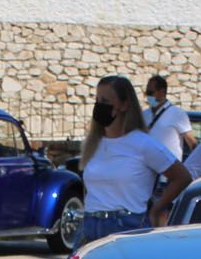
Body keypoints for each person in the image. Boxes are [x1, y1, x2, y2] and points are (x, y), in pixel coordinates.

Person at [79, 74, 190, 229]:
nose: (99, 106)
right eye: (97, 101)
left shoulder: (143, 143)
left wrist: (157, 209)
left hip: (125, 225)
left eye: (105, 101)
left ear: (124, 105)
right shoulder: (93, 144)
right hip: (90, 224)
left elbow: (182, 177)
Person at [142, 74, 194, 158]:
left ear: (162, 92)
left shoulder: (177, 114)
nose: (147, 96)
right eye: (146, 93)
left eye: (150, 93)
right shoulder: (144, 115)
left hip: (170, 169)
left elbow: (192, 142)